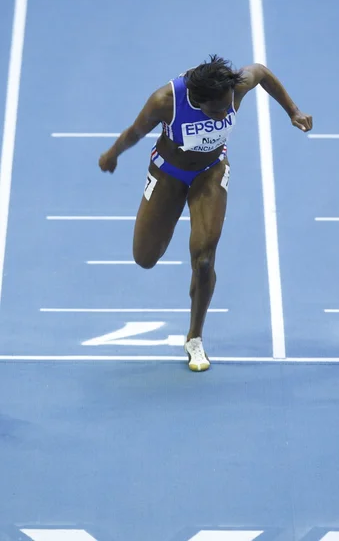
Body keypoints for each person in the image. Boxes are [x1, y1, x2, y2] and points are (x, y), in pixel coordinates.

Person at [98, 55, 313, 372]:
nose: (224, 114)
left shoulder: (234, 86)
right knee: (145, 258)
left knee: (204, 258)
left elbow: (263, 72)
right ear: (197, 101)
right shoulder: (166, 100)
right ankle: (194, 289)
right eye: (216, 111)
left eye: (228, 108)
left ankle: (194, 338)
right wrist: (113, 154)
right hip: (168, 174)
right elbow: (135, 132)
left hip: (210, 173)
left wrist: (293, 111)